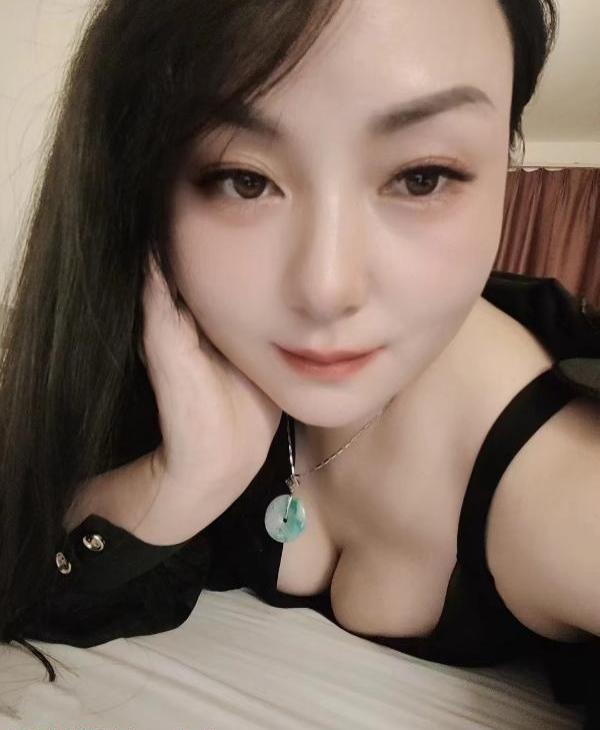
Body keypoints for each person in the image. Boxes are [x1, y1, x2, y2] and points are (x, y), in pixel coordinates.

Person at [1, 0, 599, 725]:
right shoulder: (171, 344)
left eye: (422, 177)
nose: (326, 288)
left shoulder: (565, 484)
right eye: (244, 179)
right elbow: (28, 574)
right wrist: (182, 479)